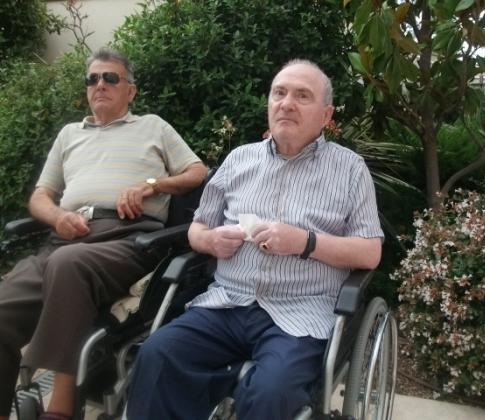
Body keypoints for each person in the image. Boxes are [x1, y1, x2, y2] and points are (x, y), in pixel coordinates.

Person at [126, 59, 384, 420]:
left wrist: (305, 242)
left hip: (300, 313)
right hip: (226, 303)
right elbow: (197, 229)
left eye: (302, 96)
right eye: (279, 93)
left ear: (326, 116)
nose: (286, 103)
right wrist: (211, 241)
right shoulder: (238, 160)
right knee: (158, 354)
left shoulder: (350, 169)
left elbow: (370, 252)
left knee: (271, 393)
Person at [0, 47, 207, 420]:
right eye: (92, 78)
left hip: (127, 238)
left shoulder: (153, 126)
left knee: (68, 263)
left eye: (110, 78)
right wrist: (57, 217)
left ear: (131, 91)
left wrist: (151, 185)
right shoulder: (69, 134)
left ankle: (61, 408)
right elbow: (40, 196)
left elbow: (197, 172)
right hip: (65, 236)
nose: (100, 84)